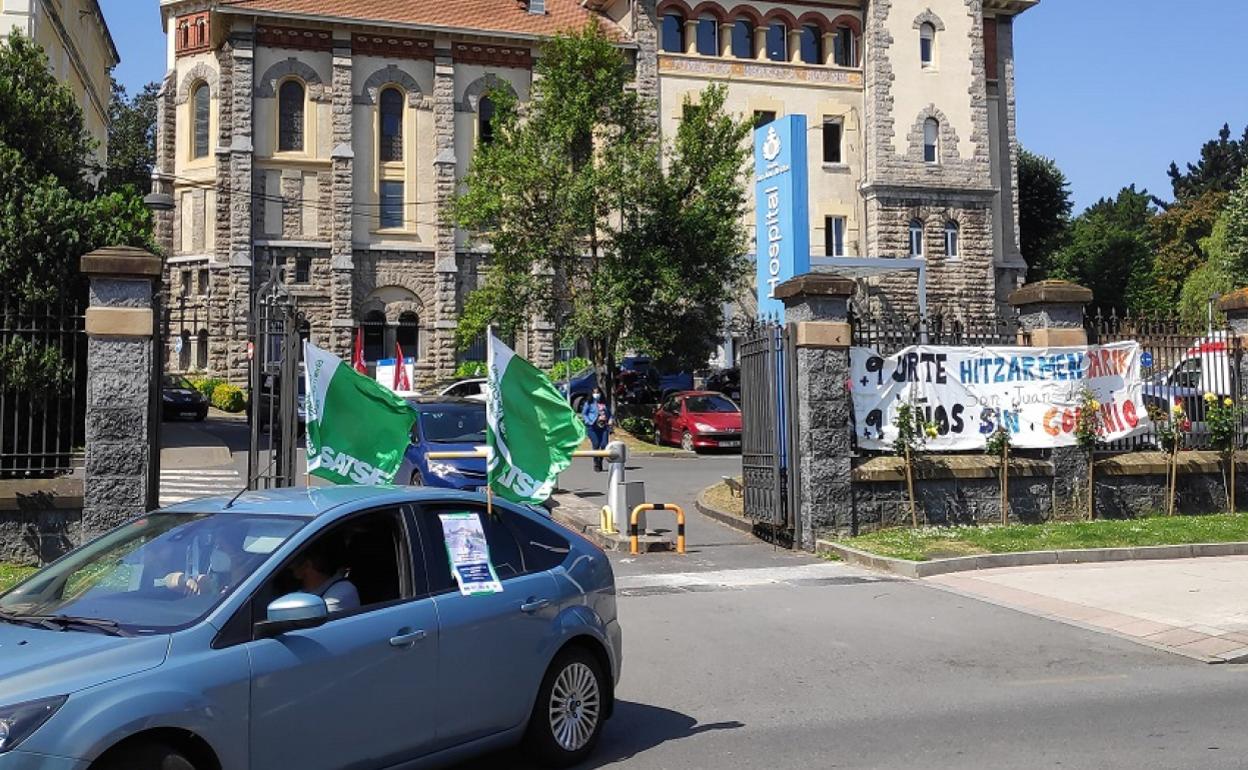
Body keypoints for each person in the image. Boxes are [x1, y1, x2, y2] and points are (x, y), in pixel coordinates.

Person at [290, 540, 360, 614]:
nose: (290, 567)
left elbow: (313, 620)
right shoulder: (306, 591)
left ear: (307, 564)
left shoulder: (342, 590)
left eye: (294, 560)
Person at [581, 387, 613, 472]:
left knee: (604, 445)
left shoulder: (604, 403)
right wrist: (589, 421)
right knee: (596, 444)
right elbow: (584, 414)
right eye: (594, 393)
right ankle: (596, 462)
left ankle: (600, 461)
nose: (596, 395)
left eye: (598, 393)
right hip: (592, 427)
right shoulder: (589, 403)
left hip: (604, 427)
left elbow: (609, 414)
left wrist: (610, 420)